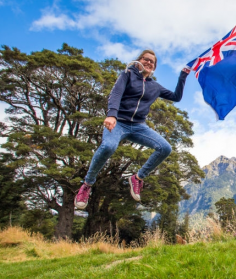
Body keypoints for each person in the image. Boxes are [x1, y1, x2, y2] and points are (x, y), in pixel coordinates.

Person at [74, 49, 190, 210]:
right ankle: (87, 184)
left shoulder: (155, 86)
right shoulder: (127, 75)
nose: (149, 62)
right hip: (118, 123)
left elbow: (176, 97)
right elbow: (115, 94)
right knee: (108, 146)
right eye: (146, 59)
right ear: (139, 61)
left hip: (138, 126)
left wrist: (183, 76)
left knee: (165, 148)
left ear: (154, 67)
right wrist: (112, 114)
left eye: (152, 62)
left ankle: (138, 178)